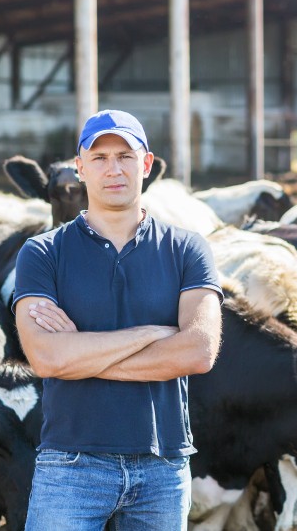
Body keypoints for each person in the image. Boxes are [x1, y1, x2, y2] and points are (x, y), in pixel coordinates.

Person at [13, 109, 222, 530]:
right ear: (81, 168)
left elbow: (199, 352)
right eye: (100, 157)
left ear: (146, 165)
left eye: (125, 156)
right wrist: (150, 335)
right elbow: (47, 359)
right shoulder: (42, 253)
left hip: (162, 466)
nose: (114, 169)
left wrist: (83, 354)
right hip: (70, 463)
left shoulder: (188, 250)